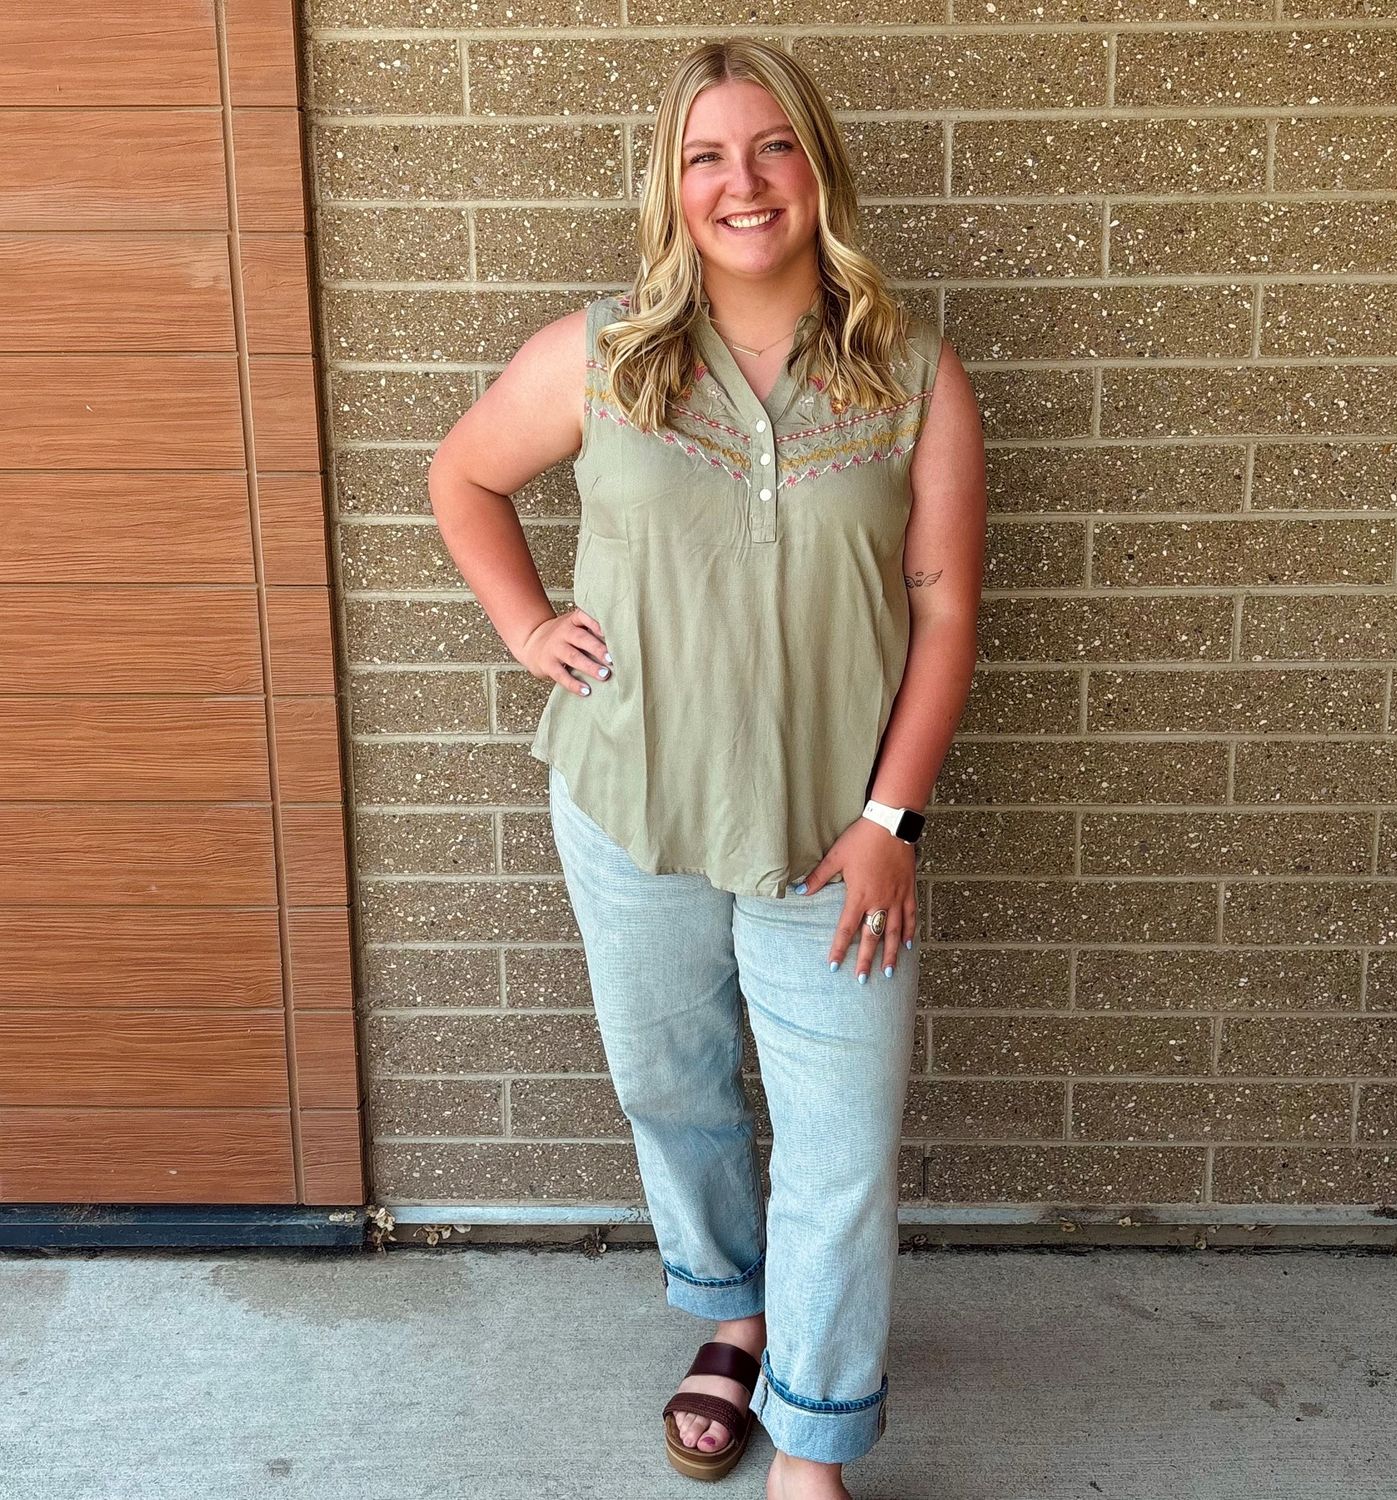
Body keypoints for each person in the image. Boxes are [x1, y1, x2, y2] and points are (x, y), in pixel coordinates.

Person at [427, 37, 985, 1500]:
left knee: (843, 1147)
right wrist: (529, 622)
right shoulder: (604, 356)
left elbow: (943, 608)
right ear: (673, 191)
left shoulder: (913, 373)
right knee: (671, 1089)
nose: (742, 183)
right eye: (705, 157)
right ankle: (730, 1319)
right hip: (632, 812)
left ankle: (813, 1444)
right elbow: (463, 476)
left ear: (818, 170)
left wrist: (892, 821)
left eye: (772, 148)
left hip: (833, 843)